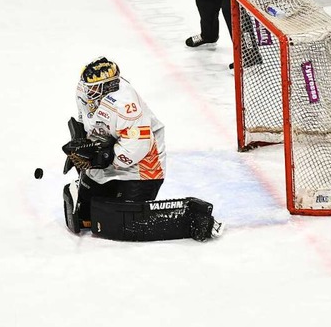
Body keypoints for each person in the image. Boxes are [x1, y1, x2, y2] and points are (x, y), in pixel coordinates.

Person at [61, 57, 222, 241]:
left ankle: (192, 217)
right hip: (111, 150)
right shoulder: (84, 90)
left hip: (142, 166)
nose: (89, 92)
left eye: (95, 89)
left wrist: (102, 158)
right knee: (87, 216)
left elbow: (138, 146)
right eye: (87, 86)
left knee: (124, 223)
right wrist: (82, 147)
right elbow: (84, 120)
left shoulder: (126, 105)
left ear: (109, 86)